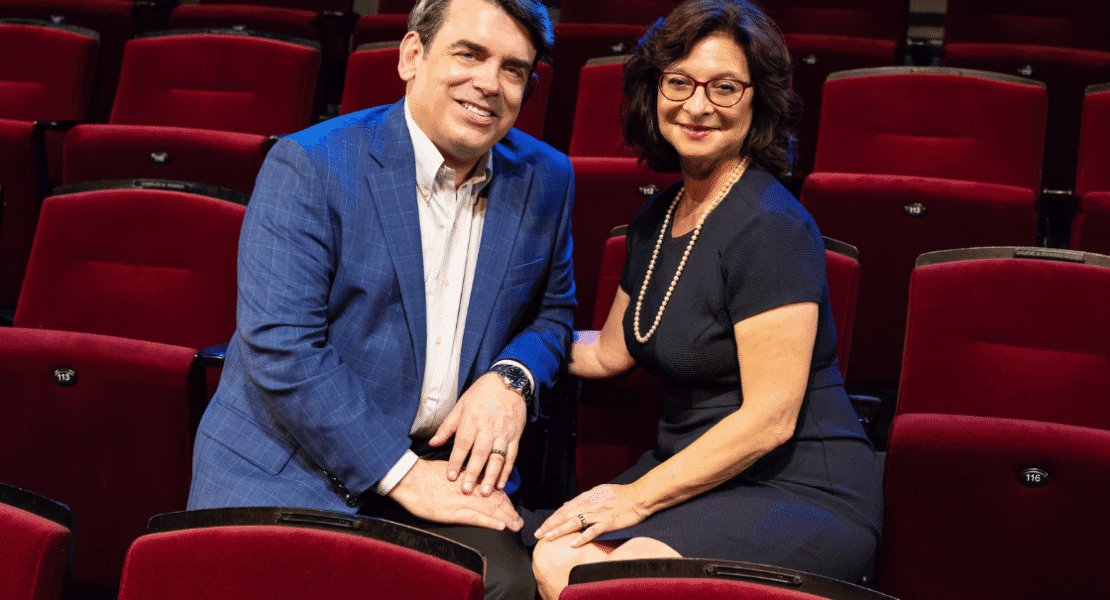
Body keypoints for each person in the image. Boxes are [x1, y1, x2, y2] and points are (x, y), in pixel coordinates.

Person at [187, 0, 573, 597]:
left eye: (513, 69)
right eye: (468, 54)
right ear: (412, 56)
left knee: (511, 587)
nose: (488, 84)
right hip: (294, 466)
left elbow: (553, 313)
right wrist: (402, 475)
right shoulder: (312, 164)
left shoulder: (547, 177)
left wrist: (512, 377)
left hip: (448, 469)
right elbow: (282, 348)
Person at [530, 1, 883, 597]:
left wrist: (633, 498)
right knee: (552, 553)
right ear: (654, 90)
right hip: (699, 476)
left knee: (609, 578)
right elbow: (607, 354)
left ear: (757, 101)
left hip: (799, 486)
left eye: (723, 88)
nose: (697, 106)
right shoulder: (655, 217)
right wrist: (504, 350)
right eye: (679, 83)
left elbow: (770, 419)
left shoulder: (770, 225)